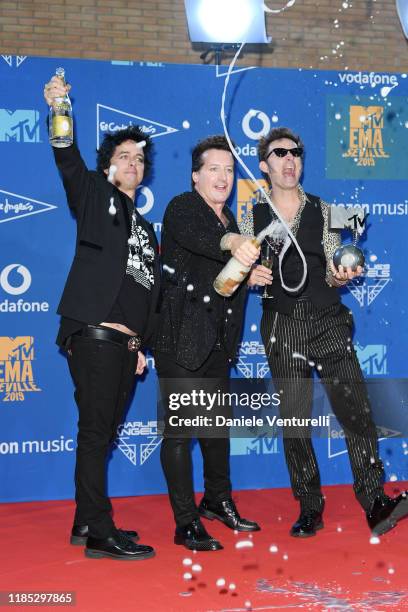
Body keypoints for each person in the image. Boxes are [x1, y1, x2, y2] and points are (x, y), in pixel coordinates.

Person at [238, 126, 408, 538]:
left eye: (295, 152)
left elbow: (334, 271)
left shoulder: (325, 209)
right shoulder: (252, 214)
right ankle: (310, 506)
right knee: (295, 421)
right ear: (264, 165)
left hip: (328, 319)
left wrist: (343, 274)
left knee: (357, 414)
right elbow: (241, 270)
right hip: (282, 323)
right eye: (279, 153)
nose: (289, 159)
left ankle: (375, 501)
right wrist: (251, 276)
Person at [44, 76, 160, 560]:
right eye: (124, 155)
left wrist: (142, 347)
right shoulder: (93, 194)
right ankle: (98, 531)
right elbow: (65, 154)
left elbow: (147, 293)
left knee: (104, 433)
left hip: (125, 347)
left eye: (139, 158)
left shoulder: (147, 228)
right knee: (96, 432)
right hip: (92, 333)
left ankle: (84, 519)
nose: (132, 163)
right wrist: (59, 106)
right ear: (108, 165)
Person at [154, 135, 261, 551]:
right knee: (180, 435)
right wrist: (234, 243)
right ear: (196, 175)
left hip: (217, 344)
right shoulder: (182, 207)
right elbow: (203, 241)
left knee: (216, 431)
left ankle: (217, 500)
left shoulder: (230, 218)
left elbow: (222, 277)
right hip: (180, 341)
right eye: (213, 168)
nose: (223, 176)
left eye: (229, 170)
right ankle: (185, 523)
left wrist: (250, 274)